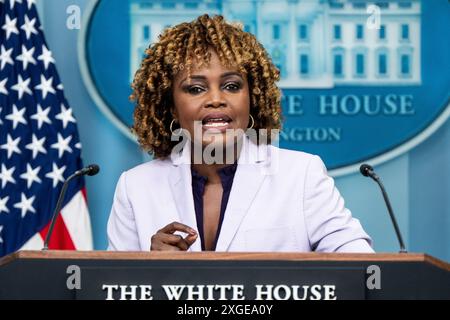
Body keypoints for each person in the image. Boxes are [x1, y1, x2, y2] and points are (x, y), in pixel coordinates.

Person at [107, 14, 374, 253]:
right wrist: (146, 268)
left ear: (252, 98)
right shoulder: (135, 187)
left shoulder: (302, 175)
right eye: (195, 89)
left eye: (231, 85)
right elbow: (112, 288)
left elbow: (358, 265)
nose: (215, 99)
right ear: (171, 107)